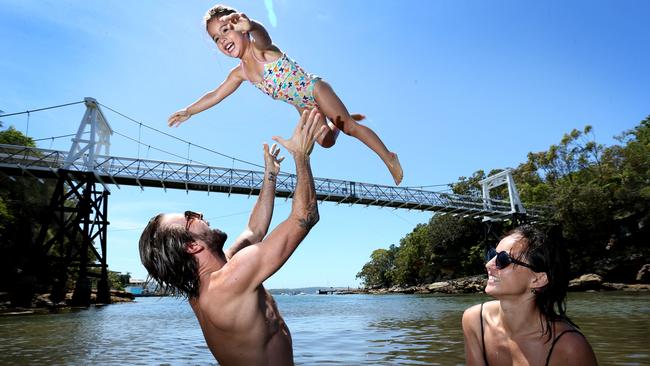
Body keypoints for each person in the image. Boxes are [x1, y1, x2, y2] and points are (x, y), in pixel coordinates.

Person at [139, 109, 325, 365]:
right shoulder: (229, 283)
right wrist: (301, 155)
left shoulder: (209, 284)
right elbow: (305, 215)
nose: (200, 213)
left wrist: (270, 174)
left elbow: (254, 230)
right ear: (192, 246)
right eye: (190, 217)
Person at [167, 4, 403, 186]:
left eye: (226, 30)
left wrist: (252, 26)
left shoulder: (260, 49)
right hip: (303, 106)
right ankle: (336, 124)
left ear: (240, 27)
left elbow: (263, 37)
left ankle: (388, 156)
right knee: (326, 142)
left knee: (349, 128)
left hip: (315, 89)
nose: (223, 39)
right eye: (216, 38)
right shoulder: (240, 73)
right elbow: (216, 94)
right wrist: (189, 111)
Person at [462, 225, 598, 366]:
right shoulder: (475, 321)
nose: (489, 265)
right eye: (491, 255)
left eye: (503, 259)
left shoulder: (569, 346)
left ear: (538, 279)